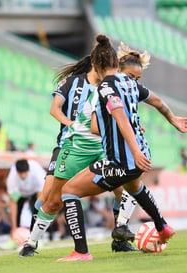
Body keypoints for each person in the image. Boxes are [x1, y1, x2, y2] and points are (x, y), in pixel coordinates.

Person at [56, 34, 187, 261]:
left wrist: (135, 152)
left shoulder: (106, 87)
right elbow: (158, 101)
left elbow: (119, 117)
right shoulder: (131, 84)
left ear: (98, 66)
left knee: (69, 191)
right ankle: (162, 227)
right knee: (134, 187)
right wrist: (173, 119)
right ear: (116, 63)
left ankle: (81, 252)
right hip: (138, 157)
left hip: (122, 160)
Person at [19, 42, 144, 256]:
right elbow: (54, 109)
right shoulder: (73, 82)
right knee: (50, 199)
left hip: (103, 146)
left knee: (126, 187)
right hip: (71, 145)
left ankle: (120, 236)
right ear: (98, 64)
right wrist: (70, 123)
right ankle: (31, 242)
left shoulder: (112, 86)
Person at [6, 159, 46, 235]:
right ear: (17, 172)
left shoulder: (37, 172)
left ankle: (37, 236)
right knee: (17, 214)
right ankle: (15, 235)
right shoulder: (12, 178)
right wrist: (13, 227)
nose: (23, 176)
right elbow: (13, 203)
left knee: (36, 212)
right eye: (21, 174)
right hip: (20, 193)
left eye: (25, 173)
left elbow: (40, 197)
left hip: (35, 192)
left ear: (29, 170)